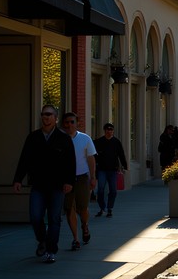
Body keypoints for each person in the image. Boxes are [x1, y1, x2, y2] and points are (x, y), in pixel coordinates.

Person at [12, 105, 76, 264]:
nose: (45, 117)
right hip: (39, 185)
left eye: (49, 115)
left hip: (57, 185)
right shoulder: (33, 138)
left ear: (55, 118)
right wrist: (18, 179)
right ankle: (42, 239)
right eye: (43, 115)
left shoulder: (64, 138)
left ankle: (51, 250)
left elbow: (70, 162)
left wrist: (69, 181)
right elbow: (24, 159)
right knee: (35, 216)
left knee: (54, 218)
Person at [62, 112, 97, 252]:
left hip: (82, 177)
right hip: (66, 179)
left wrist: (93, 177)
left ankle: (85, 225)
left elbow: (90, 159)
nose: (69, 125)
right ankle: (75, 238)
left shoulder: (85, 139)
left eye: (72, 122)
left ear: (77, 123)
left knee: (82, 208)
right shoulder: (60, 139)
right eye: (66, 122)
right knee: (69, 208)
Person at [94, 122, 127, 218]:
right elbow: (94, 155)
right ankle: (102, 208)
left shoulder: (116, 142)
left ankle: (110, 208)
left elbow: (121, 154)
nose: (109, 131)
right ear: (104, 131)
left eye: (111, 130)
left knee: (113, 190)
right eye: (108, 129)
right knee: (100, 190)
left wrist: (124, 166)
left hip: (113, 170)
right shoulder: (99, 142)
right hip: (102, 170)